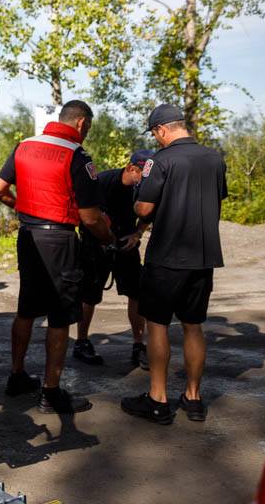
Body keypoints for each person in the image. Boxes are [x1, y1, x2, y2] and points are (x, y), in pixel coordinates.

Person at [0, 100, 116, 414]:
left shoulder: (25, 146)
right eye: (87, 127)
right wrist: (109, 239)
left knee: (27, 308)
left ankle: (17, 376)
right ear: (81, 123)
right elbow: (90, 218)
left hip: (28, 235)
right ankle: (51, 392)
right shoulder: (77, 154)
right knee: (60, 317)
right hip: (59, 239)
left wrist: (22, 208)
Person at [121, 104, 227, 425]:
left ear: (162, 130)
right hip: (203, 256)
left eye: (155, 134)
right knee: (194, 326)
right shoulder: (215, 158)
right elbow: (216, 199)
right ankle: (193, 398)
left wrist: (141, 197)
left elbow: (143, 209)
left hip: (167, 256)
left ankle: (157, 399)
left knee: (157, 324)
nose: (156, 139)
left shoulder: (160, 160)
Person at [74, 149, 156, 369]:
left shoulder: (146, 188)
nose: (145, 182)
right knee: (89, 295)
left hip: (126, 243)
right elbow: (90, 216)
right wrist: (106, 239)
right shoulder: (103, 181)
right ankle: (81, 342)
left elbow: (149, 212)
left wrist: (137, 234)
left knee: (137, 292)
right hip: (96, 244)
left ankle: (139, 346)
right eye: (142, 176)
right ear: (131, 168)